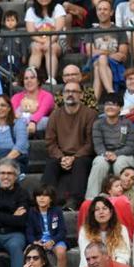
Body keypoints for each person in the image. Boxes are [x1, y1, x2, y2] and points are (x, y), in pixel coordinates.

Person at [42, 81, 97, 209]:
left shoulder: (90, 114)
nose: (70, 94)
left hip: (82, 156)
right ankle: (45, 198)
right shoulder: (55, 115)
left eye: (74, 91)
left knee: (80, 162)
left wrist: (74, 157)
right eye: (67, 91)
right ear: (62, 95)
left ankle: (74, 201)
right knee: (51, 163)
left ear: (81, 95)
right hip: (60, 156)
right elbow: (50, 142)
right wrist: (61, 157)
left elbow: (90, 143)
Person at [86, 94, 134, 200]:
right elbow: (98, 146)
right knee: (99, 162)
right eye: (107, 104)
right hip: (104, 154)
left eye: (114, 104)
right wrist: (106, 154)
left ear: (121, 108)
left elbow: (130, 147)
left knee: (120, 162)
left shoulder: (127, 124)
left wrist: (116, 154)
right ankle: (91, 199)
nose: (110, 107)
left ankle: (130, 199)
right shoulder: (98, 124)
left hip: (124, 155)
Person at [0, 94, 29, 194]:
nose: (0, 108)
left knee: (9, 169)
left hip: (15, 158)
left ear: (9, 108)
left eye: (3, 105)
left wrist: (4, 162)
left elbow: (20, 145)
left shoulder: (19, 123)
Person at [84, 0, 128, 99]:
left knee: (99, 65)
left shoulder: (119, 31)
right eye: (99, 9)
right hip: (94, 63)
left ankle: (93, 104)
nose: (102, 12)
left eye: (105, 9)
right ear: (96, 12)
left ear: (111, 12)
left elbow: (122, 56)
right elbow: (90, 53)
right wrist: (110, 54)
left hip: (114, 65)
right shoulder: (91, 31)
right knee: (101, 60)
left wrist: (101, 53)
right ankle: (111, 92)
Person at [78, 197, 131, 267]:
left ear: (111, 212)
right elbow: (85, 258)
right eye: (97, 209)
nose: (101, 212)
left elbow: (123, 256)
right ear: (93, 214)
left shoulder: (121, 230)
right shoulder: (84, 231)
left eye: (104, 208)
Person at [26, 185, 67, 267]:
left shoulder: (57, 211)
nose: (41, 198)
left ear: (51, 199)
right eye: (39, 195)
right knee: (27, 252)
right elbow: (29, 232)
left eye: (45, 196)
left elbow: (62, 231)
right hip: (38, 241)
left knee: (61, 252)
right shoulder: (32, 212)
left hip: (55, 240)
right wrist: (35, 242)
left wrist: (52, 241)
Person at [24, 0, 66, 85]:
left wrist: (49, 41)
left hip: (57, 41)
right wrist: (43, 41)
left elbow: (58, 30)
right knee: (36, 47)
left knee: (51, 48)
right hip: (38, 42)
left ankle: (51, 78)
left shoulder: (58, 8)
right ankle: (31, 78)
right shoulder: (31, 11)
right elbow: (31, 33)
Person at [11, 67, 54, 138]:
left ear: (38, 81)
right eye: (26, 78)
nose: (29, 81)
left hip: (38, 124)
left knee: (46, 121)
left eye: (32, 77)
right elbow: (13, 114)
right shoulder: (16, 97)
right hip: (20, 124)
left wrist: (33, 121)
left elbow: (41, 112)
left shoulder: (47, 96)